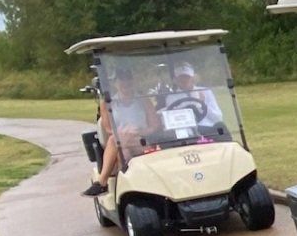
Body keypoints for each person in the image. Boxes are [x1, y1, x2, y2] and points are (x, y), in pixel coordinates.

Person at [82, 66, 154, 197]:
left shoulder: (143, 100)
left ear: (133, 81)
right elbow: (109, 128)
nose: (125, 83)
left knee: (117, 142)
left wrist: (139, 131)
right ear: (115, 83)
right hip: (120, 141)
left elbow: (155, 126)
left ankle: (102, 183)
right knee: (120, 146)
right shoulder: (107, 103)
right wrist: (124, 133)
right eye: (121, 80)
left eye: (128, 79)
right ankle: (128, 195)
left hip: (142, 140)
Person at [156, 59, 224, 134]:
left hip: (208, 128)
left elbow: (218, 118)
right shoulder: (171, 97)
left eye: (187, 77)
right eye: (181, 77)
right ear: (175, 79)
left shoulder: (206, 92)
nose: (184, 80)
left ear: (193, 78)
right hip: (187, 132)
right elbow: (174, 120)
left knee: (221, 127)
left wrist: (203, 103)